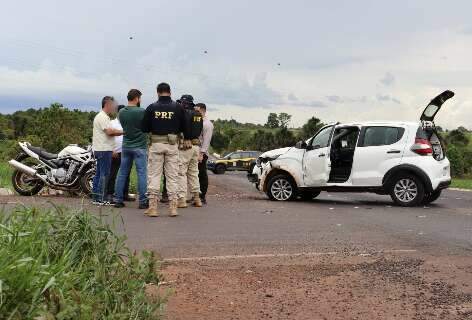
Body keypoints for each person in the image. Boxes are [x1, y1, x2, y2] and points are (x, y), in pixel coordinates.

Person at [142, 83, 186, 217]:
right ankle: (173, 208)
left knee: (154, 175)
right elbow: (184, 126)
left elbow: (144, 127)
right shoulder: (178, 108)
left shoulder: (151, 107)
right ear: (170, 92)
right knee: (172, 176)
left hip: (156, 144)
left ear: (157, 92)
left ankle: (153, 208)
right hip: (172, 145)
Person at [114, 89, 149, 209]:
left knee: (122, 173)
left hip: (126, 146)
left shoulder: (121, 112)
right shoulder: (142, 111)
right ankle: (143, 201)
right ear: (137, 98)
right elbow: (146, 127)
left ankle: (118, 199)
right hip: (140, 146)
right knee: (142, 174)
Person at [92, 96, 123, 205]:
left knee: (99, 173)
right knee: (104, 174)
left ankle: (96, 197)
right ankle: (101, 198)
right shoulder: (103, 117)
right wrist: (123, 132)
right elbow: (109, 132)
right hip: (104, 150)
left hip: (101, 149)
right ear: (108, 104)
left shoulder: (103, 117)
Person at [176, 95, 203, 208]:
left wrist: (186, 137)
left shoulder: (186, 113)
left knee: (181, 173)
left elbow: (185, 126)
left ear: (184, 103)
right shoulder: (198, 114)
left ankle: (182, 199)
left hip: (186, 145)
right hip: (196, 146)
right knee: (193, 173)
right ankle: (197, 198)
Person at [107, 105, 131, 202]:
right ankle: (109, 194)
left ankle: (124, 194)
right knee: (113, 173)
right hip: (115, 152)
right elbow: (107, 137)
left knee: (127, 174)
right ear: (117, 113)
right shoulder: (112, 123)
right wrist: (112, 150)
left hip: (126, 152)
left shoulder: (128, 123)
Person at [195, 103, 213, 204]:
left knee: (202, 174)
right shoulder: (198, 121)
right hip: (195, 151)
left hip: (202, 153)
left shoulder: (207, 124)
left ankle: (202, 196)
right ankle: (196, 195)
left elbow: (206, 140)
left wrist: (201, 154)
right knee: (195, 175)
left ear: (203, 111)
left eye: (197, 111)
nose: (195, 112)